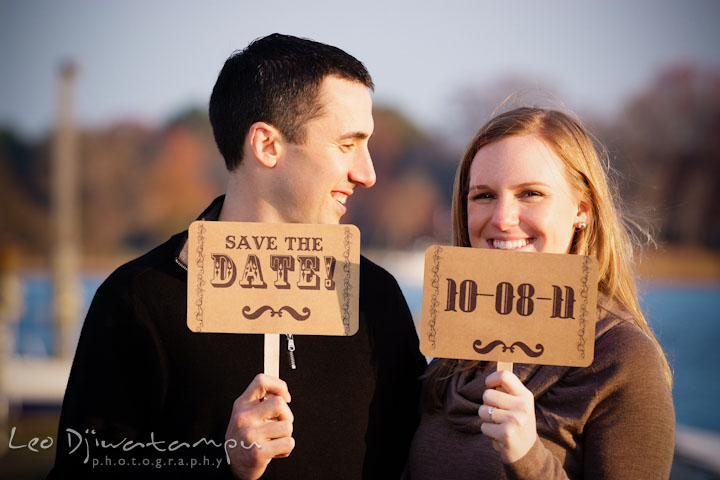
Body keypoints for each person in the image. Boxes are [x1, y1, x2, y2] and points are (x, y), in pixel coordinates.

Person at [49, 33, 426, 479]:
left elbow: (417, 460)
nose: (367, 173)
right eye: (347, 144)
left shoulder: (375, 297)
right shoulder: (142, 298)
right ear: (267, 145)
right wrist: (220, 462)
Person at [408, 106, 675, 479]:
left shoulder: (623, 358)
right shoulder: (457, 344)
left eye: (530, 193)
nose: (502, 218)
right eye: (483, 196)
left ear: (582, 209)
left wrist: (528, 457)